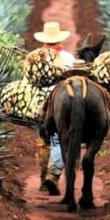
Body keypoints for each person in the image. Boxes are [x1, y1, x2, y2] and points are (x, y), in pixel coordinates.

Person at [34, 21, 74, 195]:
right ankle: (53, 174)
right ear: (59, 40)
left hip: (41, 103)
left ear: (44, 40)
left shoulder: (35, 57)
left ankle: (44, 179)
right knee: (59, 140)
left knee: (44, 142)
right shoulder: (68, 57)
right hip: (63, 103)